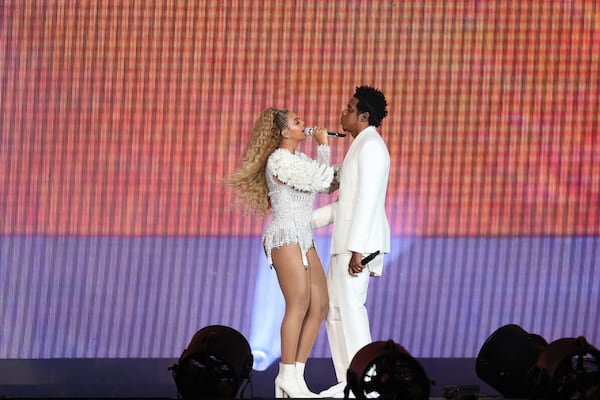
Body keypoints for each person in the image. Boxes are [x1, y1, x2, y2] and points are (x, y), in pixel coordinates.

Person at [226, 108, 334, 398]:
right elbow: (321, 182)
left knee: (320, 304)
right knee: (298, 304)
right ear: (285, 132)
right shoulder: (279, 160)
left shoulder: (299, 159)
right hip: (285, 236)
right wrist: (324, 145)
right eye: (298, 122)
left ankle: (296, 376)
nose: (305, 124)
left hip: (304, 237)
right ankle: (285, 375)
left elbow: (326, 180)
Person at [312, 86, 391, 397]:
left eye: (348, 108)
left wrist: (358, 248)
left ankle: (367, 386)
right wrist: (304, 222)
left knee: (351, 311)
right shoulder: (359, 145)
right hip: (345, 243)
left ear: (364, 116)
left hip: (356, 246)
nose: (342, 113)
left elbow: (369, 201)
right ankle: (349, 380)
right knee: (335, 312)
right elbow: (344, 203)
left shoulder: (372, 146)